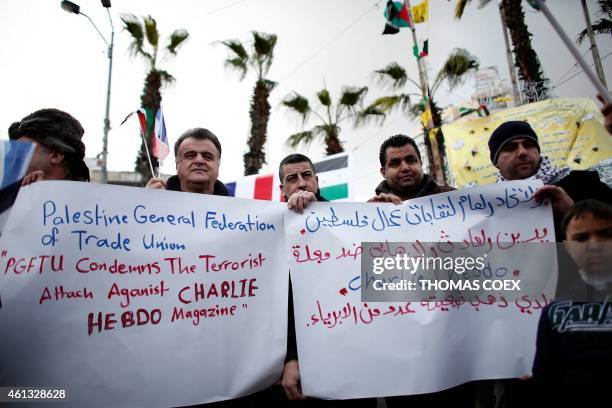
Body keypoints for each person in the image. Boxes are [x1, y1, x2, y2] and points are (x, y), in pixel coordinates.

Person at [532, 199, 612, 406]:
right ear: (567, 246)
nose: (594, 245)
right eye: (581, 238)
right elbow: (545, 379)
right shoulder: (555, 312)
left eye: (606, 234)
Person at [488, 120, 612, 208]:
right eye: (510, 148)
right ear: (495, 162)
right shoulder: (487, 204)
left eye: (528, 145)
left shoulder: (583, 183)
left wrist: (573, 212)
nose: (522, 152)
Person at [8, 108, 90, 184]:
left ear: (55, 155)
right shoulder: (12, 194)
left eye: (21, 150)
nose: (12, 157)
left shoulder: (90, 198)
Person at [368, 134, 455, 203]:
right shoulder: (370, 212)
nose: (405, 168)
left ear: (420, 164)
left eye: (411, 160)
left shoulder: (453, 198)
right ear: (383, 172)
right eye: (395, 164)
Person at [146, 128, 229, 196]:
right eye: (190, 156)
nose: (199, 160)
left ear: (218, 165)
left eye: (207, 157)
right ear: (177, 164)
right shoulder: (151, 202)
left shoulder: (239, 212)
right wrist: (143, 200)